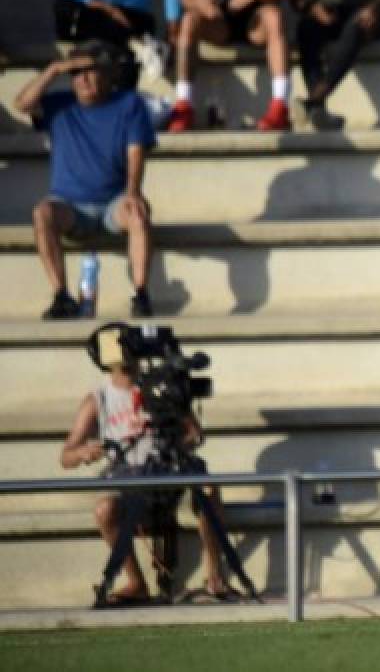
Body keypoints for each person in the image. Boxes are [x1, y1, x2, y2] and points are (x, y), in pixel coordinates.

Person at [60, 326, 231, 605]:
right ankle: (136, 582)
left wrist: (175, 442)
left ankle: (215, 575)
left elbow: (195, 434)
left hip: (169, 469)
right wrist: (84, 452)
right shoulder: (98, 399)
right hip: (127, 477)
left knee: (208, 488)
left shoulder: (161, 383)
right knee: (104, 510)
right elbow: (66, 456)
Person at [14, 40, 157, 319]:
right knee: (42, 213)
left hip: (113, 203)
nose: (83, 79)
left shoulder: (129, 103)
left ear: (107, 73)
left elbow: (136, 152)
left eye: (90, 71)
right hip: (69, 206)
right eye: (76, 73)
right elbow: (21, 104)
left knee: (138, 212)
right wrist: (54, 69)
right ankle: (61, 297)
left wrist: (132, 193)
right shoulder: (57, 105)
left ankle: (141, 295)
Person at [166, 0, 293, 131]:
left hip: (257, 20)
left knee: (274, 16)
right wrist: (199, 3)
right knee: (189, 20)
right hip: (219, 22)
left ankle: (280, 105)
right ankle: (183, 103)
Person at [291, 0, 380, 131]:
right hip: (332, 13)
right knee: (306, 27)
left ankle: (315, 100)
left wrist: (374, 8)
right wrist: (313, 7)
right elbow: (296, 0)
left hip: (369, 13)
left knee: (357, 25)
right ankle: (318, 109)